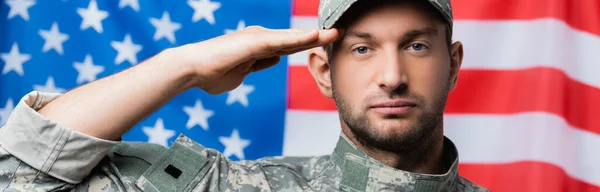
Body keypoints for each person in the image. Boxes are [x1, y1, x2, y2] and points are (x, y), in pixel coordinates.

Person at [0, 0, 490, 191]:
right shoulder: (233, 186)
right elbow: (18, 176)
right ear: (323, 71)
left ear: (453, 66)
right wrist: (185, 66)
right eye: (362, 49)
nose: (392, 76)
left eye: (417, 45)